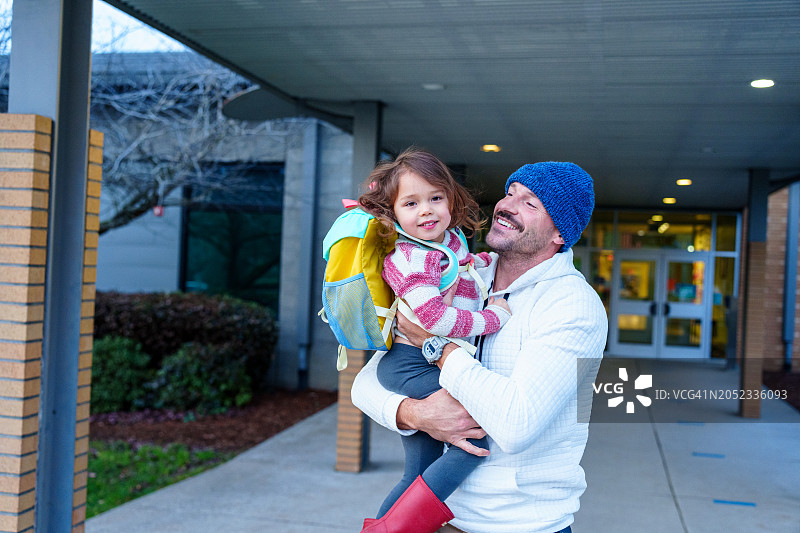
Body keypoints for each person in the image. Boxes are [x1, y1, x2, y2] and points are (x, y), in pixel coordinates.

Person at [352, 161, 608, 533]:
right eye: (510, 192)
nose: (507, 205)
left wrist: (436, 345)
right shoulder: (463, 272)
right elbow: (365, 384)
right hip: (441, 519)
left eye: (530, 202)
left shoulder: (571, 303)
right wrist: (415, 414)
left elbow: (517, 424)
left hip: (518, 526)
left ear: (559, 233)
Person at [355, 148, 513, 532]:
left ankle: (385, 528)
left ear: (450, 200)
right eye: (411, 203)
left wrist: (475, 264)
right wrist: (493, 317)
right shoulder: (409, 256)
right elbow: (435, 319)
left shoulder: (448, 242)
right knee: (472, 443)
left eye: (435, 198)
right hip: (410, 365)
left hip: (420, 362)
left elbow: (456, 270)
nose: (426, 210)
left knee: (419, 469)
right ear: (393, 213)